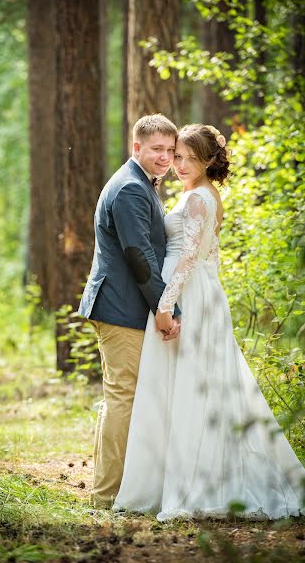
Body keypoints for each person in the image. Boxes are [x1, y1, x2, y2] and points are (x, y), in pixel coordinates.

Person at [113, 124, 305, 520]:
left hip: (188, 294)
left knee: (194, 385)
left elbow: (189, 260)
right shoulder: (192, 193)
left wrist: (166, 305)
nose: (180, 165)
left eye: (189, 159)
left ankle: (199, 482)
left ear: (208, 162)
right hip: (192, 289)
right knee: (177, 383)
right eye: (178, 157)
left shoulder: (200, 197)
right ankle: (167, 477)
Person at [79, 114, 181, 508]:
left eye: (171, 151)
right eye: (157, 149)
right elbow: (139, 255)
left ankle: (113, 488)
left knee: (122, 397)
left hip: (124, 305)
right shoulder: (130, 190)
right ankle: (106, 495)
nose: (165, 157)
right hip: (120, 307)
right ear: (136, 147)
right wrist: (164, 305)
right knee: (122, 397)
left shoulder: (142, 184)